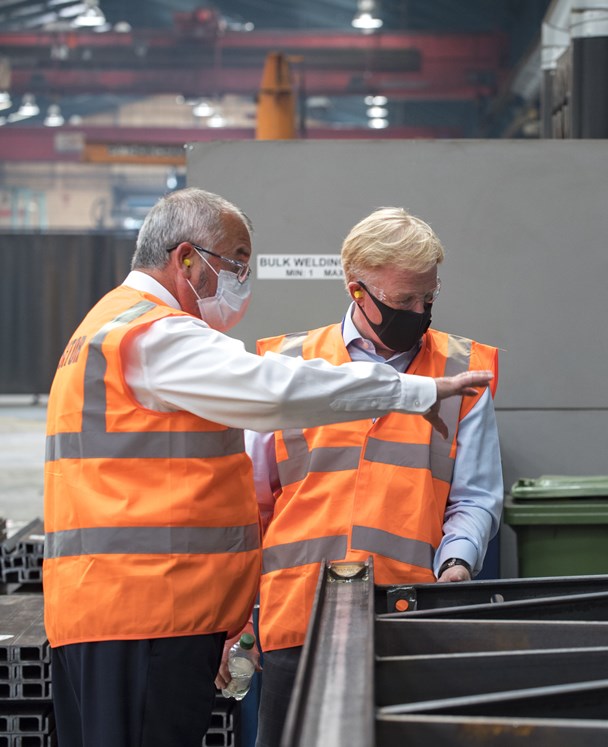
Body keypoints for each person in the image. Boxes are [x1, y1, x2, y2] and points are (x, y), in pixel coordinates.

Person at [42, 189, 491, 747]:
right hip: (153, 616)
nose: (241, 282)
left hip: (112, 614)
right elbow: (273, 394)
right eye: (236, 264)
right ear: (187, 260)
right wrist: (411, 391)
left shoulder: (105, 327)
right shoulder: (156, 336)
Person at [247, 206, 502, 746]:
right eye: (403, 300)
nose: (419, 311)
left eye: (428, 298)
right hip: (296, 616)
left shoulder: (463, 370)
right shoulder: (288, 366)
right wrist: (238, 615)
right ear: (357, 291)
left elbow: (475, 497)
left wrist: (457, 562)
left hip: (407, 615)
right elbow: (253, 503)